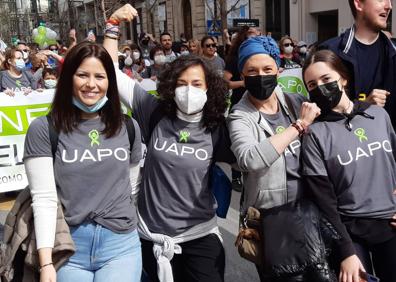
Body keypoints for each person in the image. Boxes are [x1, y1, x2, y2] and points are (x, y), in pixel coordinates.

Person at [104, 5, 235, 282]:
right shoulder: (154, 113)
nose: (189, 90)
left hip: (199, 237)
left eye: (196, 84)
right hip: (149, 238)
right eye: (182, 83)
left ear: (208, 88)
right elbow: (110, 74)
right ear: (171, 86)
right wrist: (113, 24)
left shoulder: (217, 128)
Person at [23, 41, 143, 282]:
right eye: (82, 75)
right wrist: (46, 262)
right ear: (68, 79)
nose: (91, 84)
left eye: (100, 76)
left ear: (110, 82)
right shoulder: (43, 129)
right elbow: (44, 199)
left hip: (121, 247)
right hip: (68, 249)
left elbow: (131, 187)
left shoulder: (128, 127)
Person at [227, 36, 320, 281]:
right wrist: (297, 127)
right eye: (252, 71)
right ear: (243, 75)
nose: (261, 76)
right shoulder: (239, 116)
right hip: (271, 223)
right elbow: (249, 159)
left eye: (267, 69)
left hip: (308, 213)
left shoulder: (292, 101)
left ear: (278, 70)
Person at [302, 49, 396, 282]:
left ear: (343, 78)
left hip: (390, 223)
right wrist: (346, 252)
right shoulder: (315, 134)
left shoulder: (378, 115)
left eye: (326, 79)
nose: (320, 87)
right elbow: (323, 199)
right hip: (349, 230)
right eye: (312, 85)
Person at [321, 0, 396, 128]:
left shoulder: (393, 51)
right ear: (358, 4)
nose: (389, 6)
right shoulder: (330, 52)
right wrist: (363, 106)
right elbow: (322, 113)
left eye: (390, 0)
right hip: (352, 144)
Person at [224, 26, 252, 192]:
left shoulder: (260, 57)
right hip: (239, 105)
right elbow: (225, 81)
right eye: (251, 37)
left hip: (256, 104)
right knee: (238, 142)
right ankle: (236, 176)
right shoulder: (234, 59)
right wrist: (243, 83)